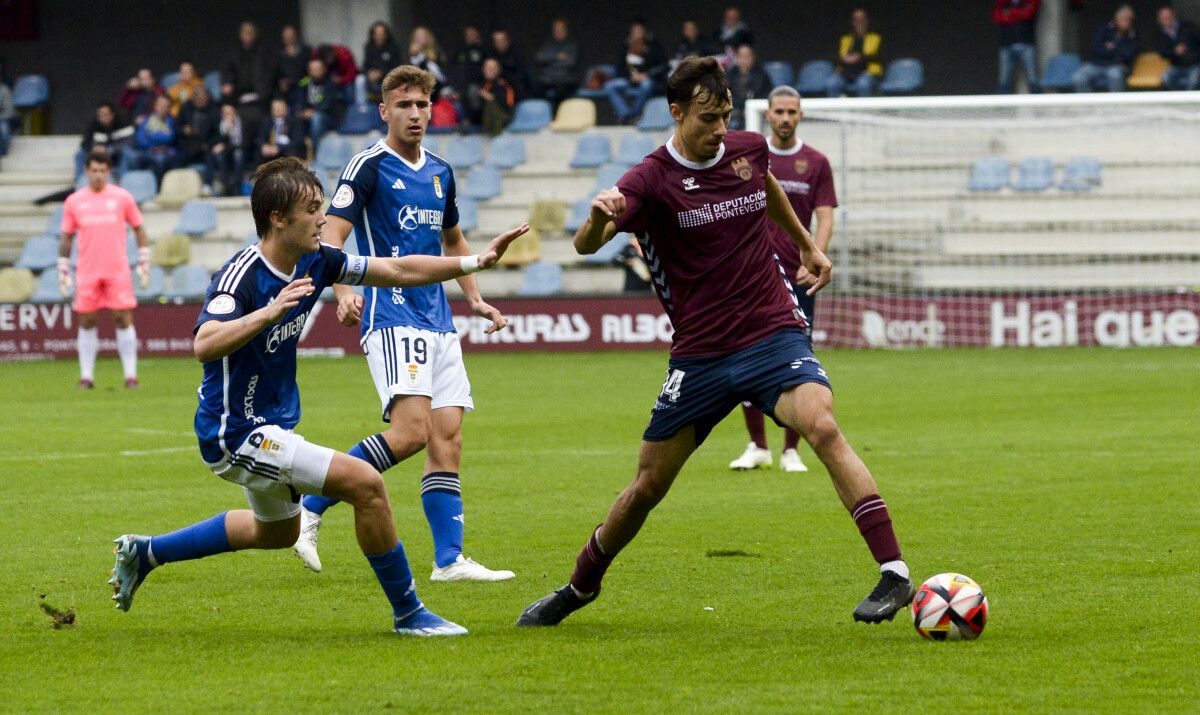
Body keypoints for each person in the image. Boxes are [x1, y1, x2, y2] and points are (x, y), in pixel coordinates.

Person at [517, 56, 913, 628]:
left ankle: (894, 573)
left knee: (822, 425)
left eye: (725, 115)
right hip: (700, 355)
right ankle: (580, 586)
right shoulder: (650, 179)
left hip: (770, 331)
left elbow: (767, 186)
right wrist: (601, 218)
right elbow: (584, 245)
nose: (720, 129)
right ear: (677, 113)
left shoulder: (747, 149)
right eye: (707, 118)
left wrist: (805, 245)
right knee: (648, 486)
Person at [107, 155, 530, 636]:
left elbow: (396, 270)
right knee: (366, 485)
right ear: (277, 218)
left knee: (278, 532)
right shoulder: (241, 276)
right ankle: (410, 613)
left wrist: (473, 262)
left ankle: (146, 552)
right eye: (311, 209)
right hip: (236, 433)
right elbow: (204, 343)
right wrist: (265, 315)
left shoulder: (317, 260)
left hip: (269, 425)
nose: (322, 218)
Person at [292, 65, 517, 583]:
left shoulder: (441, 170)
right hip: (391, 311)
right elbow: (331, 240)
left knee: (448, 437)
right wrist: (345, 291)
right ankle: (312, 501)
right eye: (405, 105)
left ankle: (449, 561)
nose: (415, 114)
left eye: (422, 105)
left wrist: (476, 300)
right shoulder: (368, 167)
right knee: (412, 433)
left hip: (437, 317)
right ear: (384, 110)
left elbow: (454, 241)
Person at [730, 86, 838, 475]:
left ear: (801, 115)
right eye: (780, 111)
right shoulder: (751, 159)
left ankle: (792, 449)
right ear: (769, 115)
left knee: (798, 358)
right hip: (753, 276)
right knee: (743, 353)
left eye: (792, 111)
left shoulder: (816, 162)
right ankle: (758, 445)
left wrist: (814, 257)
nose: (786, 118)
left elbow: (825, 216)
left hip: (798, 276)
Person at [58, 149, 151, 389]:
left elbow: (139, 229)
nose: (98, 175)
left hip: (117, 270)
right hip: (88, 271)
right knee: (87, 320)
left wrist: (144, 260)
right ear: (86, 171)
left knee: (122, 318)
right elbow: (67, 237)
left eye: (102, 171)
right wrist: (63, 268)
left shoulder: (122, 198)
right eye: (93, 171)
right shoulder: (74, 201)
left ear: (108, 172)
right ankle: (86, 377)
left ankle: (131, 376)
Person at [604, 19, 668, 124]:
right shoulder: (625, 47)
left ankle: (633, 114)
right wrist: (630, 77)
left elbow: (663, 66)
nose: (637, 33)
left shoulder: (653, 45)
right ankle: (626, 115)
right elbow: (618, 68)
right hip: (629, 79)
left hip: (646, 79)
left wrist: (647, 74)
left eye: (640, 31)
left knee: (647, 85)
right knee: (609, 86)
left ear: (644, 32)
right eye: (635, 31)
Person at [1073, 5, 1138, 93]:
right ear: (1116, 18)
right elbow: (1094, 48)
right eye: (1123, 18)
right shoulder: (1104, 29)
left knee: (1114, 75)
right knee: (1078, 77)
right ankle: (1087, 105)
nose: (1126, 21)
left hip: (1117, 65)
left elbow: (1129, 55)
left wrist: (1114, 47)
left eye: (1128, 19)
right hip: (1096, 63)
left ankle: (1117, 105)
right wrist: (1116, 51)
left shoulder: (1133, 35)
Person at [222, 21, 271, 128]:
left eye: (250, 33)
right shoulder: (234, 51)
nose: (247, 36)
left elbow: (269, 72)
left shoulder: (263, 50)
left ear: (255, 35)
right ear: (240, 35)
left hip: (260, 92)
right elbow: (227, 70)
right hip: (238, 92)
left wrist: (264, 89)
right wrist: (227, 83)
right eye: (245, 33)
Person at [827, 8, 882, 97]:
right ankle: (835, 111)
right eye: (856, 20)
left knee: (862, 84)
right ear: (852, 22)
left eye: (862, 19)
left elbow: (880, 57)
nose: (859, 22)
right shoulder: (845, 39)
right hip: (847, 72)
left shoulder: (876, 38)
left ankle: (864, 111)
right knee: (832, 83)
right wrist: (844, 58)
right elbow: (835, 56)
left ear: (867, 21)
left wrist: (860, 57)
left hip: (867, 73)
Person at [177, 86, 221, 193]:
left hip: (205, 146)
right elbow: (177, 126)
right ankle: (179, 187)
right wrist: (184, 130)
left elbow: (217, 134)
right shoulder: (186, 107)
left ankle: (207, 186)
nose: (200, 102)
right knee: (176, 158)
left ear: (207, 98)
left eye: (202, 99)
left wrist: (208, 144)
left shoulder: (214, 110)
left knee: (210, 157)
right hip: (188, 144)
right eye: (197, 99)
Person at [126, 94, 178, 182]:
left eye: (165, 106)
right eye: (160, 105)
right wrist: (159, 136)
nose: (162, 108)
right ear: (155, 106)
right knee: (132, 157)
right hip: (146, 151)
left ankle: (158, 188)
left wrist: (150, 134)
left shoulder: (173, 122)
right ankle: (136, 185)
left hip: (164, 153)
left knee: (160, 159)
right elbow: (140, 140)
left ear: (169, 108)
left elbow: (169, 139)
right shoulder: (147, 120)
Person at [295, 57, 342, 152]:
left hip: (327, 117)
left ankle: (316, 151)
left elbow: (329, 104)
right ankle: (297, 153)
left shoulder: (331, 84)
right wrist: (302, 111)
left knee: (317, 118)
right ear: (309, 71)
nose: (315, 71)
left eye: (318, 69)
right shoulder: (304, 83)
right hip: (308, 116)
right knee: (294, 117)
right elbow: (299, 101)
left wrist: (313, 112)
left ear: (324, 69)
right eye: (313, 69)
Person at [75, 103, 133, 179]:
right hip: (98, 154)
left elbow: (130, 142)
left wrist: (110, 149)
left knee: (128, 153)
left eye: (106, 114)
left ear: (112, 114)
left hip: (117, 154)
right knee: (80, 154)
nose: (103, 117)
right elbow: (85, 143)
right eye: (100, 115)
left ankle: (123, 180)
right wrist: (94, 148)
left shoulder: (123, 123)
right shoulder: (93, 125)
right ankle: (80, 181)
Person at [994, 0, 1041, 94]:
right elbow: (997, 18)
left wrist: (1010, 14)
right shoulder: (1003, 3)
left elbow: (1029, 14)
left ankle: (1038, 106)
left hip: (1026, 44)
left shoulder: (1030, 2)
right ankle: (1003, 107)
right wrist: (1018, 14)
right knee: (1004, 80)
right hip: (1006, 45)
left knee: (1033, 79)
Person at [533, 18, 579, 110]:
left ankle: (557, 115)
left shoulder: (572, 45)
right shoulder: (548, 45)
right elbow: (539, 58)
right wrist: (556, 56)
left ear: (566, 31)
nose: (558, 32)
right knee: (535, 87)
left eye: (561, 29)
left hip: (565, 79)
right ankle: (541, 115)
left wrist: (550, 62)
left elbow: (571, 63)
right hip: (548, 79)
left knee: (561, 91)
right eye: (556, 30)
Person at [1154, 6, 1200, 91]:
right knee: (1166, 78)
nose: (1167, 19)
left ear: (1173, 16)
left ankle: (1188, 102)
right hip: (1176, 66)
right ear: (1159, 20)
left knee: (1193, 82)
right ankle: (1178, 99)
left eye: (1168, 17)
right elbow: (1162, 53)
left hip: (1194, 65)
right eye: (1163, 18)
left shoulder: (1188, 27)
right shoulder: (1160, 35)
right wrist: (1174, 51)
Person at [726, 45, 771, 129]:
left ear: (753, 58)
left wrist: (750, 108)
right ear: (736, 58)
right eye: (741, 56)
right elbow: (726, 96)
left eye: (747, 56)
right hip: (734, 112)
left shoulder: (762, 75)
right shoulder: (729, 75)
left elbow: (766, 96)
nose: (744, 59)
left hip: (756, 113)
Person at [213, 102, 249, 196]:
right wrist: (227, 130)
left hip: (240, 148)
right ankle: (226, 186)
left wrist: (227, 144)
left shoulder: (242, 121)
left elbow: (244, 142)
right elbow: (219, 142)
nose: (228, 115)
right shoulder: (219, 123)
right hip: (226, 150)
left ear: (235, 112)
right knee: (220, 156)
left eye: (230, 112)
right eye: (226, 113)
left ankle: (236, 187)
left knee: (238, 154)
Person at [474, 58, 516, 136]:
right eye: (488, 68)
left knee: (491, 103)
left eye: (493, 68)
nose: (490, 70)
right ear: (483, 70)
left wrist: (492, 98)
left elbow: (509, 105)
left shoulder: (504, 85)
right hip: (480, 120)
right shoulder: (478, 85)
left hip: (501, 118)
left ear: (499, 70)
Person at [363, 21, 402, 103]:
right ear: (373, 35)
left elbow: (397, 67)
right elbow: (365, 66)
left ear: (386, 35)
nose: (379, 37)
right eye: (377, 34)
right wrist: (369, 73)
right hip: (372, 80)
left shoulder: (393, 47)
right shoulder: (369, 48)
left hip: (389, 77)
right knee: (360, 80)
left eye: (382, 34)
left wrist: (381, 73)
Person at [257, 97, 305, 162]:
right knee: (259, 152)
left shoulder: (294, 121)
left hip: (286, 150)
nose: (277, 110)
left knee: (292, 152)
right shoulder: (267, 121)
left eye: (279, 108)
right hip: (270, 149)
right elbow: (261, 137)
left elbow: (298, 141)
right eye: (274, 108)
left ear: (286, 108)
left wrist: (279, 148)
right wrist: (264, 145)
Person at [273, 24, 311, 104]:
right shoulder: (280, 54)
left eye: (291, 36)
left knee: (300, 88)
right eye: (286, 37)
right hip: (287, 85)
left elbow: (311, 74)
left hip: (304, 81)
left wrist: (299, 82)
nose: (289, 39)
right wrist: (281, 82)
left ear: (296, 36)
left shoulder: (306, 51)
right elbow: (276, 74)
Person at [408, 26, 448, 96]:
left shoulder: (436, 52)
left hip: (439, 88)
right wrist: (414, 55)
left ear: (428, 37)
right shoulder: (414, 56)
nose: (418, 38)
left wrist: (426, 58)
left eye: (421, 36)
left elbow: (441, 73)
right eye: (416, 36)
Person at [488, 30, 528, 98]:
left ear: (508, 40)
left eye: (502, 40)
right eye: (497, 41)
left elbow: (521, 75)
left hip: (515, 88)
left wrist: (506, 81)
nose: (499, 43)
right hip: (495, 87)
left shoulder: (517, 54)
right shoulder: (491, 55)